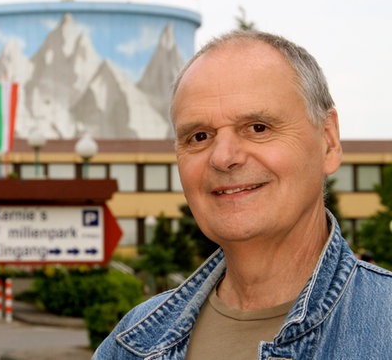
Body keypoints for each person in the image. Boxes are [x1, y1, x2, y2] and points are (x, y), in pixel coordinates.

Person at [93, 30, 392, 359]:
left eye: (258, 128)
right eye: (199, 136)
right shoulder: (131, 342)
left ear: (328, 141)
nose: (223, 157)